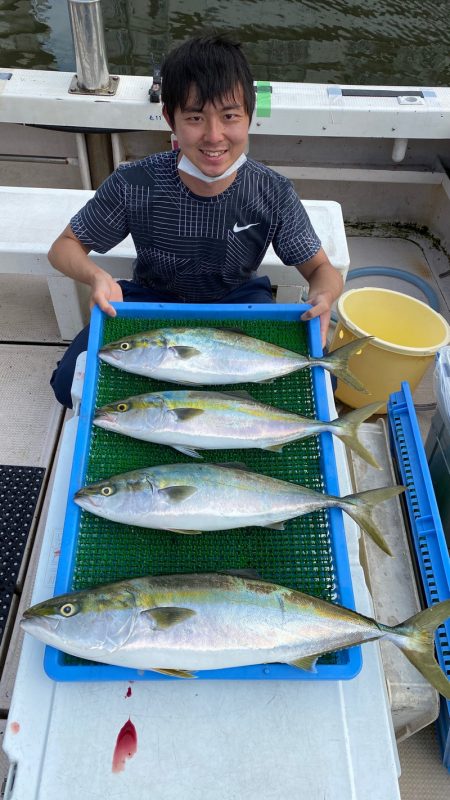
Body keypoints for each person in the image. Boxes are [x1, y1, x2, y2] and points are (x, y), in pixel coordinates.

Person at [48, 33, 343, 408]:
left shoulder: (272, 191)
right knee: (67, 383)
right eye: (195, 118)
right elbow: (64, 247)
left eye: (230, 116)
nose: (214, 136)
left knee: (324, 383)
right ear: (169, 118)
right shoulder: (134, 182)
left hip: (237, 303)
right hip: (151, 298)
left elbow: (321, 269)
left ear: (249, 116)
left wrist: (324, 295)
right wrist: (96, 276)